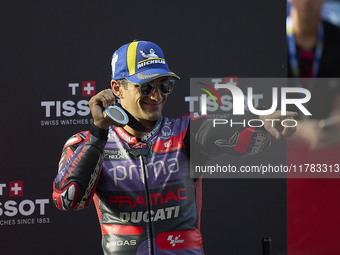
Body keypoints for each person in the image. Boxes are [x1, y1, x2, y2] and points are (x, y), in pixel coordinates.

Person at [53, 40, 297, 255]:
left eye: (165, 85)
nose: (157, 95)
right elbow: (68, 200)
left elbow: (234, 132)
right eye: (146, 87)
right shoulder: (88, 142)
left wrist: (262, 122)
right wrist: (98, 133)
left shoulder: (188, 131)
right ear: (117, 88)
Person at [287, 0, 340, 150]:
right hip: (278, 152)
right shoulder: (270, 39)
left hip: (328, 149)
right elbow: (259, 103)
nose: (307, 1)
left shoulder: (336, 38)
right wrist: (299, 128)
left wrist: (336, 123)